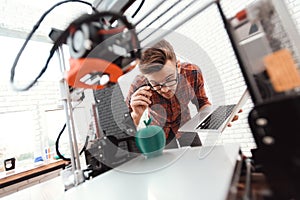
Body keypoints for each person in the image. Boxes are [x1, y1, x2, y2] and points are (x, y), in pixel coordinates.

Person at [126, 39, 238, 149]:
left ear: (178, 67)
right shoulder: (138, 84)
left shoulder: (192, 73)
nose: (165, 89)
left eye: (169, 79)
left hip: (185, 125)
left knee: (197, 160)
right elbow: (123, 130)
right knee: (169, 165)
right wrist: (136, 116)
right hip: (159, 131)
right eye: (156, 84)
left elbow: (202, 102)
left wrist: (215, 119)